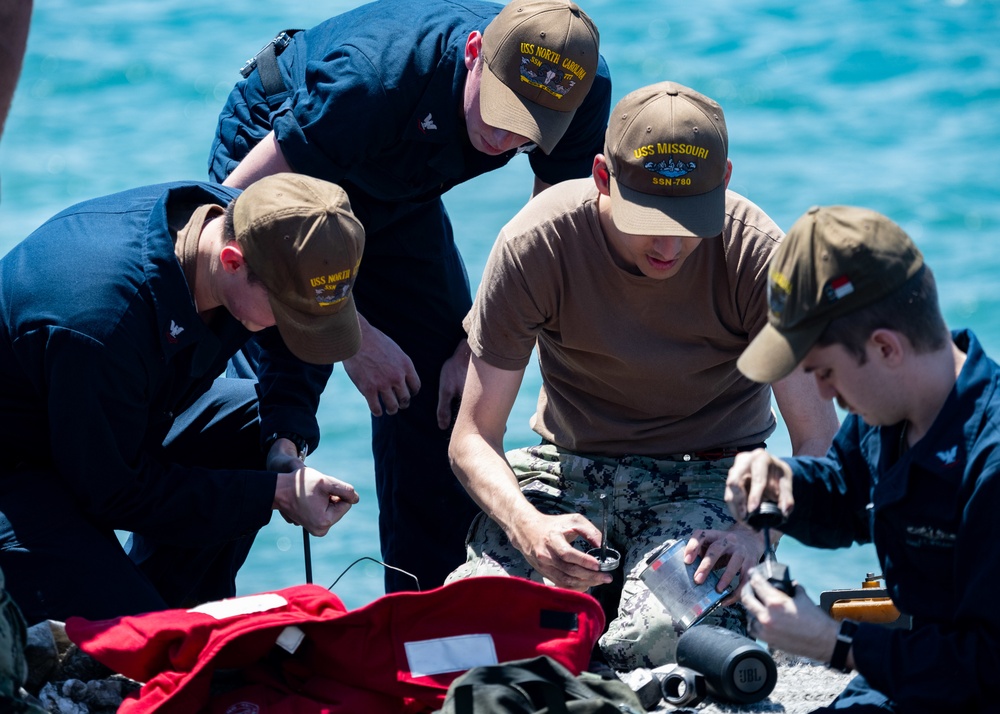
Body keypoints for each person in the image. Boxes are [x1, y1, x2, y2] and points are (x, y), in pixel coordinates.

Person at [208, 0, 612, 593]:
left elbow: (540, 240)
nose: (504, 137)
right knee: (256, 399)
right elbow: (226, 212)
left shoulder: (578, 90)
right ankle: (173, 613)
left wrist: (476, 341)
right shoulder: (375, 77)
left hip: (400, 184)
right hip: (287, 159)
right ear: (474, 54)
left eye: (528, 130)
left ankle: (423, 615)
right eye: (499, 110)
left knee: (441, 396)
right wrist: (353, 339)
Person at [444, 82, 840, 670]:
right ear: (602, 176)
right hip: (569, 469)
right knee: (474, 631)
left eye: (689, 218)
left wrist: (754, 536)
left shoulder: (760, 256)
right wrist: (528, 526)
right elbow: (472, 437)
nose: (669, 242)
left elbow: (817, 439)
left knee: (666, 642)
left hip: (711, 480)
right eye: (649, 218)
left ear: (724, 180)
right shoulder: (537, 242)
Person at [0, 173, 365, 625]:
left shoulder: (262, 227)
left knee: (259, 423)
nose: (297, 329)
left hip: (105, 423)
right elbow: (114, 492)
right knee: (147, 648)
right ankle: (152, 613)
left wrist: (283, 444)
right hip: (18, 469)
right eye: (289, 316)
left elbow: (303, 349)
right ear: (232, 262)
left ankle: (183, 608)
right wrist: (274, 494)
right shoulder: (101, 321)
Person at [724, 205, 999, 712]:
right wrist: (784, 482)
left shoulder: (990, 465)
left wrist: (836, 644)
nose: (822, 392)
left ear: (886, 348)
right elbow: (848, 495)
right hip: (918, 671)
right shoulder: (891, 411)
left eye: (824, 371)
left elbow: (987, 666)